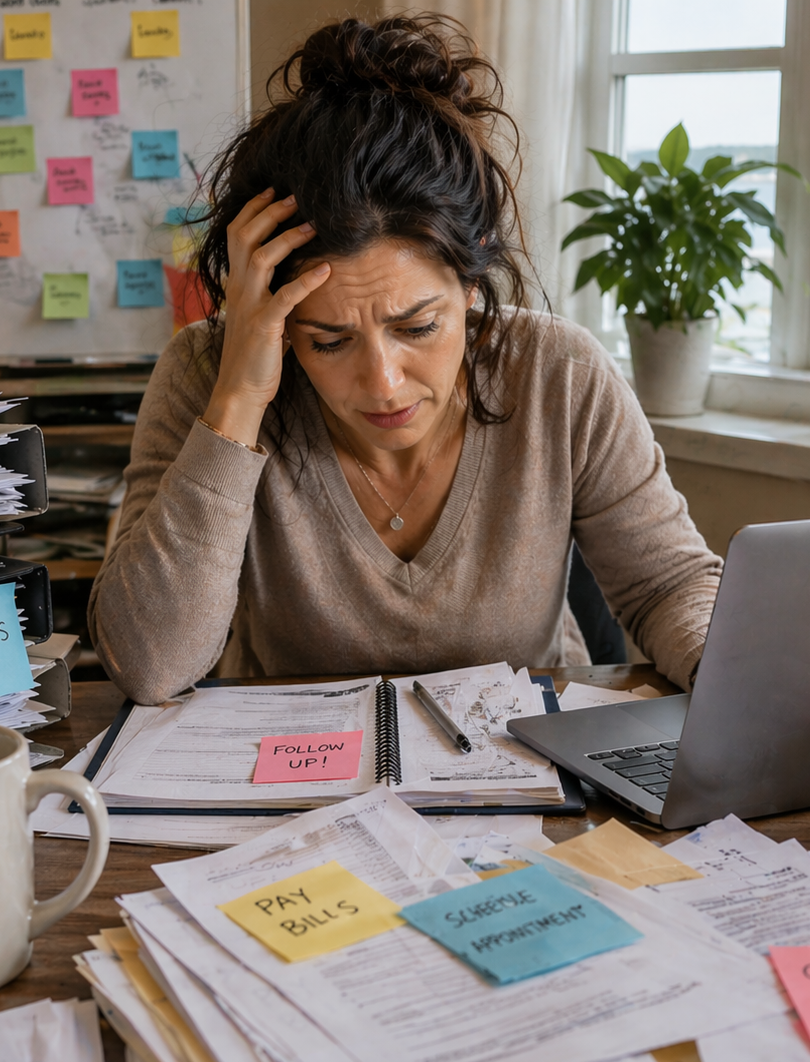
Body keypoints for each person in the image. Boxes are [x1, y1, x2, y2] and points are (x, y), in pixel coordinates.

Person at [90, 15, 722, 705]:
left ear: (473, 280)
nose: (383, 383)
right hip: (296, 785)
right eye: (327, 340)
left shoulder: (560, 375)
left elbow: (670, 587)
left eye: (418, 327)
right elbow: (149, 665)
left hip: (531, 779)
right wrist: (237, 398)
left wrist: (737, 671)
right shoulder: (206, 375)